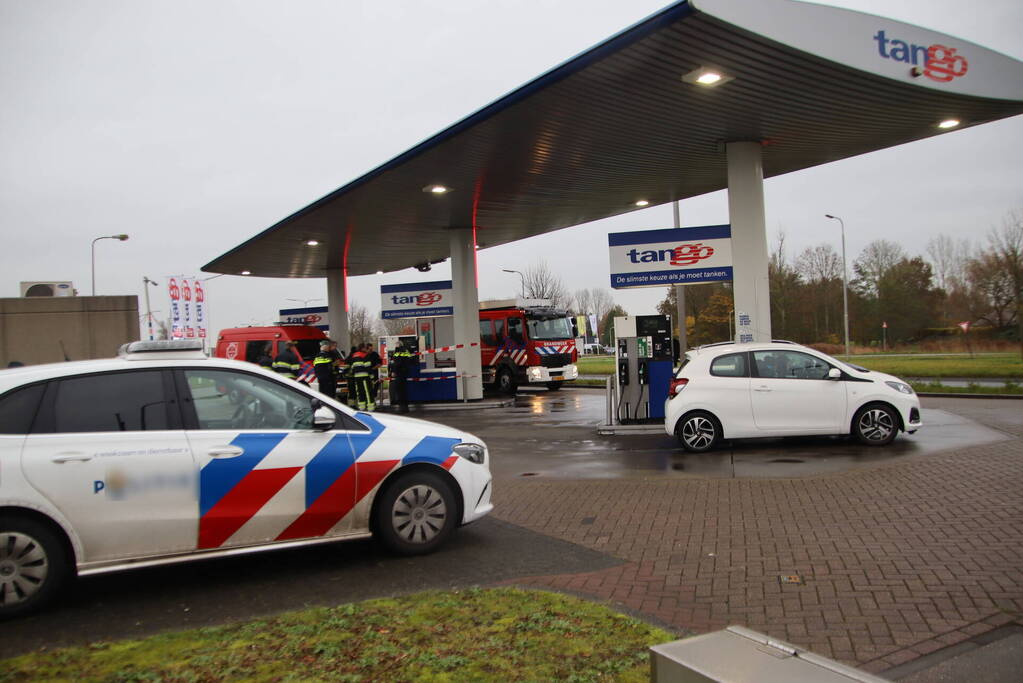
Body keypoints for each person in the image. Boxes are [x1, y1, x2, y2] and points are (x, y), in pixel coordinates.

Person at [389, 339, 416, 413]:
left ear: (398, 345)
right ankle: (405, 408)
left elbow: (396, 363)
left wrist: (393, 371)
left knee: (399, 391)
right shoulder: (406, 351)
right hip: (405, 373)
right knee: (404, 390)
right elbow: (411, 360)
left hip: (399, 373)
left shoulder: (398, 352)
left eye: (396, 345)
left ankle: (402, 408)